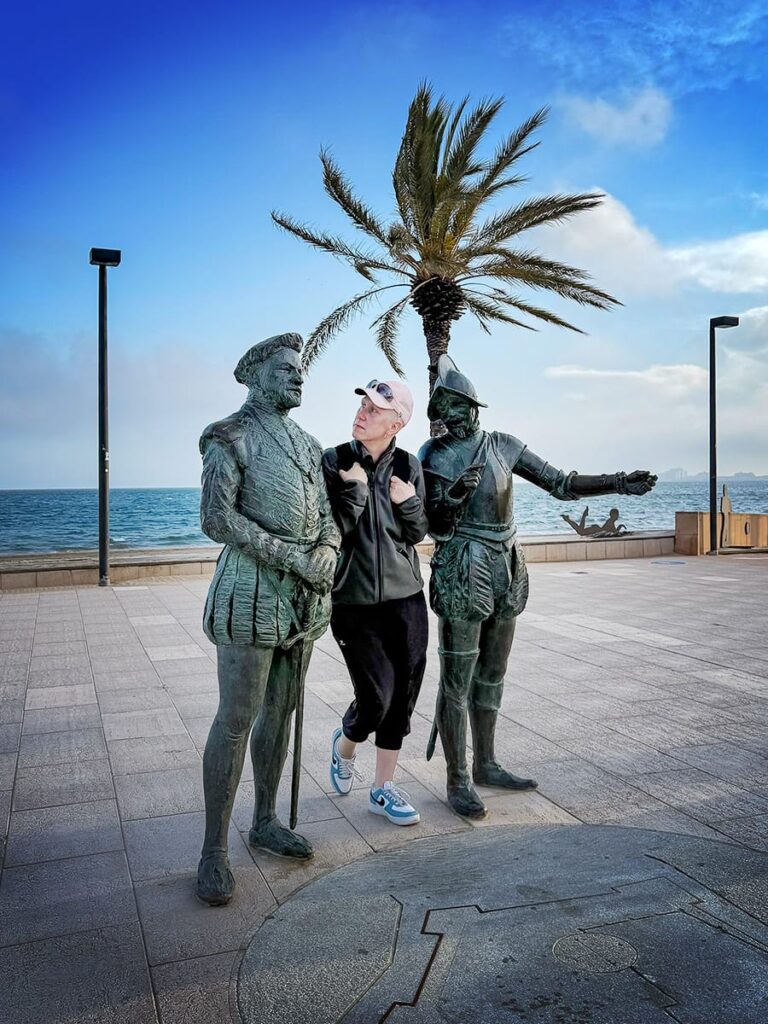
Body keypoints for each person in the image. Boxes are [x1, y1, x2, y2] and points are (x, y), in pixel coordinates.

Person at [419, 355, 657, 819]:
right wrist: (452, 497)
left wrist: (617, 483)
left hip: (506, 561)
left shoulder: (504, 445)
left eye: (453, 405)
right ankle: (458, 777)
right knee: (456, 680)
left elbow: (561, 483)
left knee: (492, 672)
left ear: (472, 406)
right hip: (463, 565)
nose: (446, 416)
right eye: (440, 408)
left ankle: (486, 763)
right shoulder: (434, 455)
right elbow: (430, 523)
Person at [196, 333, 341, 906]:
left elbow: (326, 516)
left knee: (282, 711)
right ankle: (212, 850)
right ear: (254, 375)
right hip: (250, 590)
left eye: (301, 369)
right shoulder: (228, 435)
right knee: (237, 716)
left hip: (302, 600)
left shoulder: (308, 444)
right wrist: (293, 558)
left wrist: (327, 550)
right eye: (286, 368)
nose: (298, 376)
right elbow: (216, 519)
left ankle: (265, 820)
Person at [322, 378, 429, 826]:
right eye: (363, 404)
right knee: (375, 699)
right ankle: (344, 744)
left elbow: (418, 531)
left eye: (375, 408)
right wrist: (356, 491)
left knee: (401, 696)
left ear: (397, 422)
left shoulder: (408, 464)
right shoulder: (334, 461)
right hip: (353, 602)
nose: (363, 412)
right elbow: (328, 531)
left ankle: (382, 789)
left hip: (407, 600)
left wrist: (406, 505)